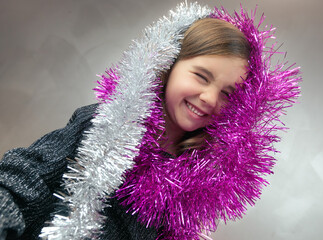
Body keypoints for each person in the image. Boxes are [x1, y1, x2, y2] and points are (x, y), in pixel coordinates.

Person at [0, 2, 301, 240]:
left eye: (227, 93)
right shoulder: (104, 123)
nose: (210, 98)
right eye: (200, 76)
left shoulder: (196, 173)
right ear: (167, 66)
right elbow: (25, 177)